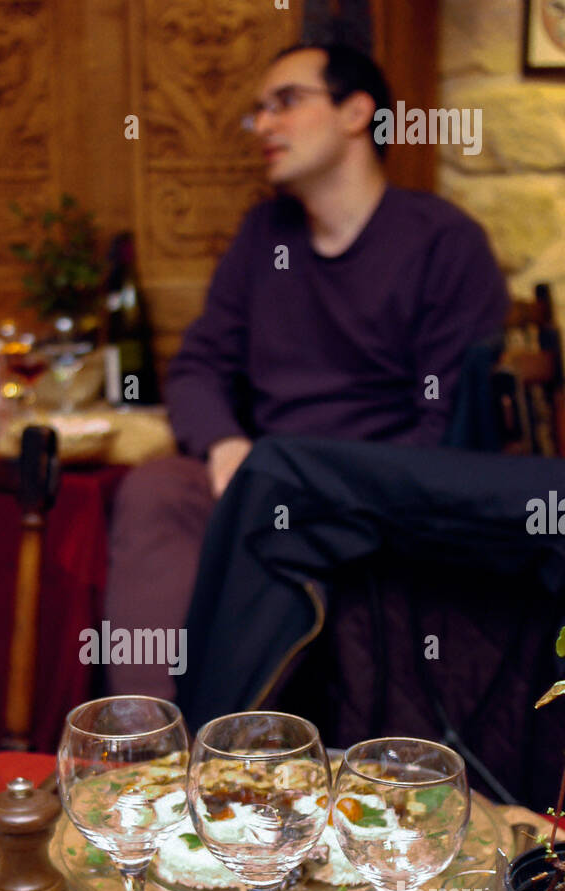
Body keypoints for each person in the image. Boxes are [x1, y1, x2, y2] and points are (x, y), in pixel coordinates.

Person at [104, 42, 509, 698]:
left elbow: (449, 434)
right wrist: (224, 444)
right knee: (155, 489)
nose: (263, 125)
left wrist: (321, 489)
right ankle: (156, 744)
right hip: (264, 476)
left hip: (380, 492)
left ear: (355, 113)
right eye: (257, 111)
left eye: (286, 102)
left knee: (279, 532)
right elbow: (199, 366)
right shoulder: (264, 235)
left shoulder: (443, 241)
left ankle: (254, 742)